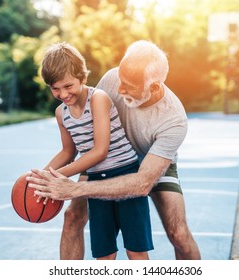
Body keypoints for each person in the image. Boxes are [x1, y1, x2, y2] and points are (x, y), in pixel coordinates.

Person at [28, 40, 201, 260]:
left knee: (178, 234)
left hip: (149, 164)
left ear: (154, 87)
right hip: (105, 158)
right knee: (72, 216)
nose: (118, 89)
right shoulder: (111, 79)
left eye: (128, 85)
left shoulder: (174, 120)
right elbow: (89, 134)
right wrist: (42, 178)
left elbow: (142, 183)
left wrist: (72, 188)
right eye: (120, 78)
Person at [38, 42, 154, 260]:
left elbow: (100, 151)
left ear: (82, 78)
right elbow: (67, 152)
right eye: (55, 88)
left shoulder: (98, 98)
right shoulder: (61, 113)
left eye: (68, 86)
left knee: (136, 250)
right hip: (95, 183)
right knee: (104, 254)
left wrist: (59, 175)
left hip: (125, 175)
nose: (63, 94)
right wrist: (40, 177)